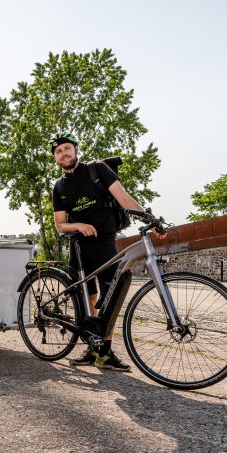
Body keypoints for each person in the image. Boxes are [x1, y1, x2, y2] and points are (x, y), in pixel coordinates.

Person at [51, 133, 145, 371]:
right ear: (55, 158)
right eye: (58, 152)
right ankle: (93, 348)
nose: (63, 154)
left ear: (75, 149)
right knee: (87, 297)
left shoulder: (98, 170)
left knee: (109, 297)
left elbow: (123, 197)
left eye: (67, 148)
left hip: (104, 243)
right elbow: (60, 225)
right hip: (78, 247)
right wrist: (78, 226)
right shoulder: (59, 187)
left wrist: (147, 218)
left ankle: (105, 351)